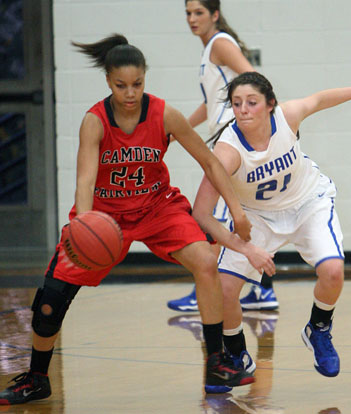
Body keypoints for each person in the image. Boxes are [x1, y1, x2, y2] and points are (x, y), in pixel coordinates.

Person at [0, 34, 277, 405]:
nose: (130, 93)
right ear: (108, 82)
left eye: (137, 84)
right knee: (50, 299)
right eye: (121, 86)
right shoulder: (94, 121)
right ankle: (37, 377)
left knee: (206, 261)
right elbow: (84, 179)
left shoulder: (164, 115)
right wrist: (84, 224)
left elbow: (210, 162)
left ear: (144, 79)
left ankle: (216, 362)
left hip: (156, 208)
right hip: (104, 216)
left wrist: (238, 212)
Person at [191, 66, 351, 383]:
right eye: (237, 103)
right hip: (258, 216)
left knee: (332, 271)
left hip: (307, 202)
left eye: (252, 102)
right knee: (225, 289)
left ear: (270, 104)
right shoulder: (228, 151)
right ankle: (235, 351)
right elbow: (201, 213)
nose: (244, 110)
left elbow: (319, 99)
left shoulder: (286, 117)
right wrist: (247, 248)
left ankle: (318, 329)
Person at [167, 0, 279, 313]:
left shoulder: (220, 44)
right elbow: (209, 105)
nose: (192, 19)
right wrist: (177, 131)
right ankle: (261, 290)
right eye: (188, 13)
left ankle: (206, 286)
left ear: (215, 15)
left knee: (211, 213)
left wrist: (252, 121)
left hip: (234, 140)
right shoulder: (209, 50)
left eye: (198, 12)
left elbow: (256, 81)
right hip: (226, 138)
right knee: (235, 214)